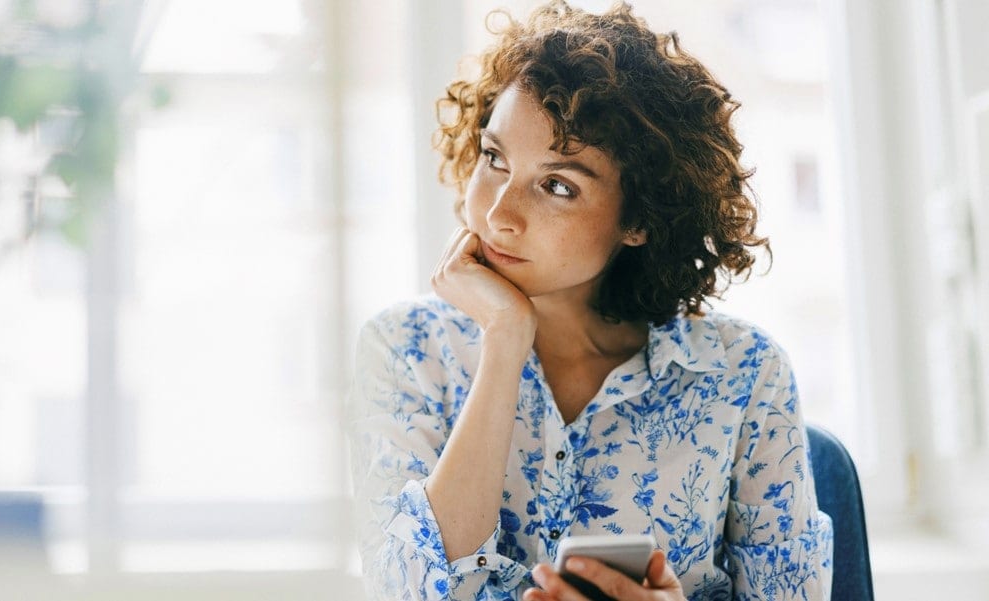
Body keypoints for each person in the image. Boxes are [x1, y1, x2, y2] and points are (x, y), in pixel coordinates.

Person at [346, 1, 834, 600]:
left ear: (638, 218)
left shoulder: (744, 375)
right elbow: (410, 590)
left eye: (557, 186)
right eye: (495, 159)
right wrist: (504, 339)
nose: (499, 214)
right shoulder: (403, 353)